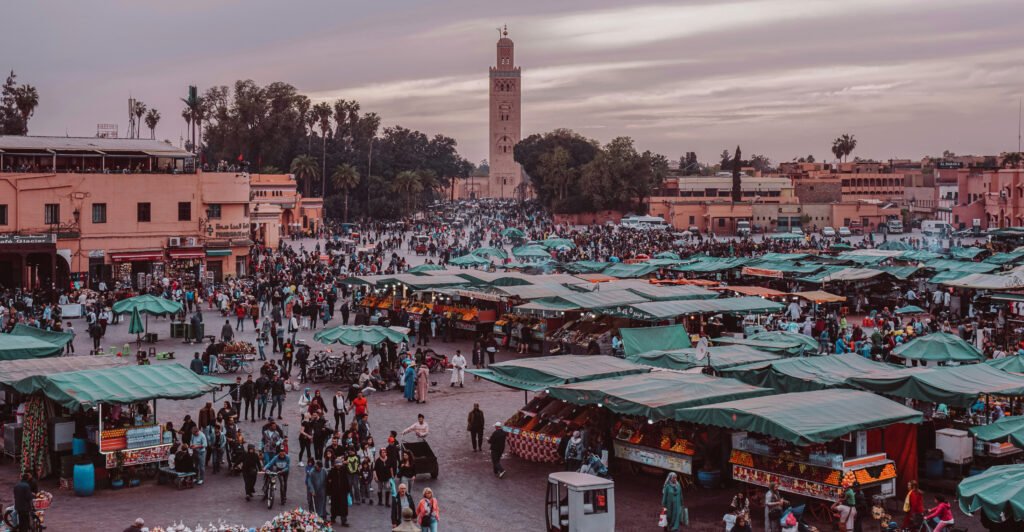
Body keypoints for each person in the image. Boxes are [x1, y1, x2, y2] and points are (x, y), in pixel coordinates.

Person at [326, 458, 350, 526]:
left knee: (343, 507)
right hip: (335, 492)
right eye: (337, 465)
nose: (338, 466)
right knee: (334, 506)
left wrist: (348, 490)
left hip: (343, 492)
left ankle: (344, 521)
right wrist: (329, 491)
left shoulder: (344, 470)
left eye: (339, 465)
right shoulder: (332, 471)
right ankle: (333, 518)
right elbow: (328, 481)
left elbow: (346, 480)